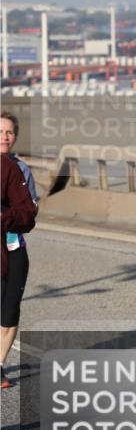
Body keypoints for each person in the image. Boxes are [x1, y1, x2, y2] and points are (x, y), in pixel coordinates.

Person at [1, 113, 38, 389]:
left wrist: (9, 216)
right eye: (0, 131)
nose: (4, 136)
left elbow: (30, 209)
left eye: (9, 132)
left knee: (11, 308)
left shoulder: (22, 170)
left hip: (14, 247)